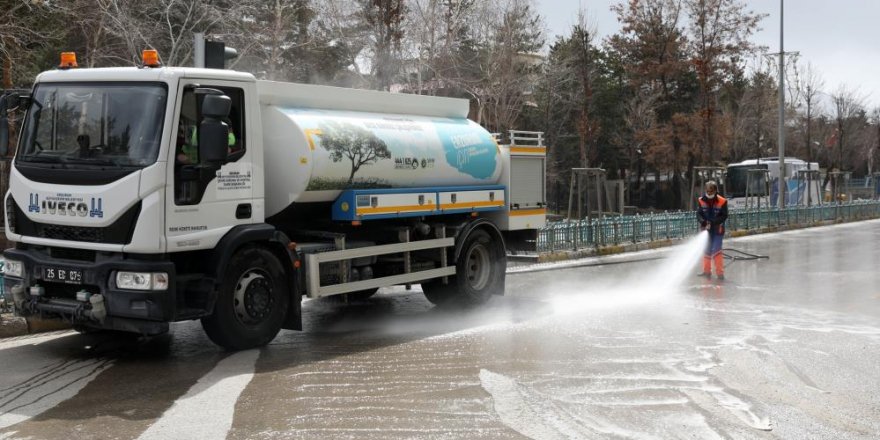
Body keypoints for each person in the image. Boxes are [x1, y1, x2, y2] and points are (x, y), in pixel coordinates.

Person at [697, 181, 728, 280]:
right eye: (707, 191)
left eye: (711, 191)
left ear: (715, 191)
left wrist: (713, 222)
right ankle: (707, 272)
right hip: (706, 230)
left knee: (716, 250)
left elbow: (724, 215)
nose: (709, 193)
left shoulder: (722, 201)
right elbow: (698, 214)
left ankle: (720, 274)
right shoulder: (701, 200)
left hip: (717, 230)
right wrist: (703, 222)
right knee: (706, 250)